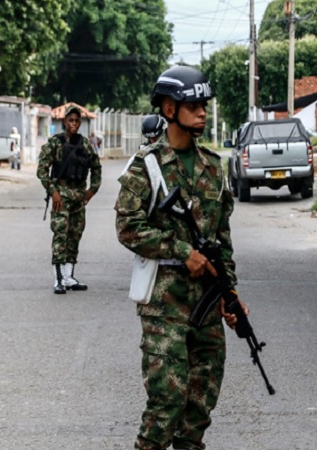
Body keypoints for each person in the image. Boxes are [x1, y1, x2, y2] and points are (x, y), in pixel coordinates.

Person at [114, 66, 248, 450]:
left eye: (204, 104)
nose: (203, 112)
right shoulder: (147, 165)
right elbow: (127, 227)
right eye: (194, 105)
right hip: (165, 304)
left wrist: (230, 293)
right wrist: (180, 252)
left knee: (200, 403)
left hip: (206, 304)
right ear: (170, 109)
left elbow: (222, 238)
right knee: (167, 402)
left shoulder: (213, 165)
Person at [37, 105, 102, 294]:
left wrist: (92, 190)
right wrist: (52, 191)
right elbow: (42, 169)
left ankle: (69, 277)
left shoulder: (86, 145)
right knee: (60, 236)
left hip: (79, 198)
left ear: (79, 123)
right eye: (70, 120)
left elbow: (96, 167)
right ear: (65, 122)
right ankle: (58, 279)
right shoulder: (55, 143)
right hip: (61, 197)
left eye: (76, 121)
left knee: (75, 234)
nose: (73, 124)